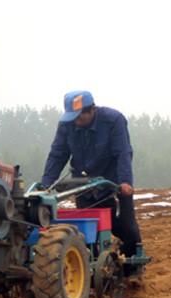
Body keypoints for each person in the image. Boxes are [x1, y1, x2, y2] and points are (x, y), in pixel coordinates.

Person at [41, 90, 142, 258]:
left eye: (81, 117)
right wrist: (46, 183)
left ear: (92, 109)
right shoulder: (67, 125)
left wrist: (125, 181)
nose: (77, 121)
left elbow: (123, 152)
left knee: (126, 227)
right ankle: (93, 268)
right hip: (84, 184)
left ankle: (133, 263)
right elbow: (58, 154)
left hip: (113, 183)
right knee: (88, 231)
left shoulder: (113, 120)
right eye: (73, 117)